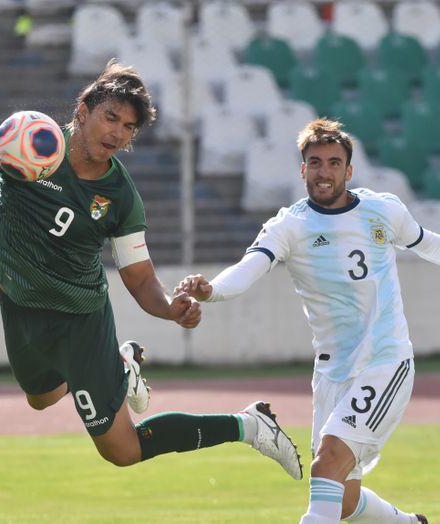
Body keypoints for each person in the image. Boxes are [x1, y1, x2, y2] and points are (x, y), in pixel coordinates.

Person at [0, 59, 302, 479]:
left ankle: (248, 425)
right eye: (110, 117)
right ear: (82, 112)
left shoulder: (121, 196)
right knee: (40, 399)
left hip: (80, 320)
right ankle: (119, 368)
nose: (118, 133)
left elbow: (140, 278)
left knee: (122, 451)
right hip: (19, 305)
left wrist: (170, 308)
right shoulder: (24, 139)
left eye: (129, 127)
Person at [177, 118, 433, 524]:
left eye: (334, 163)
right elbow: (247, 269)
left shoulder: (383, 210)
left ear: (349, 170)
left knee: (327, 464)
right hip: (332, 373)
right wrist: (210, 290)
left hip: (384, 361)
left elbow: (428, 243)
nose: (324, 172)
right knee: (343, 499)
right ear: (303, 170)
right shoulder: (290, 226)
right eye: (315, 163)